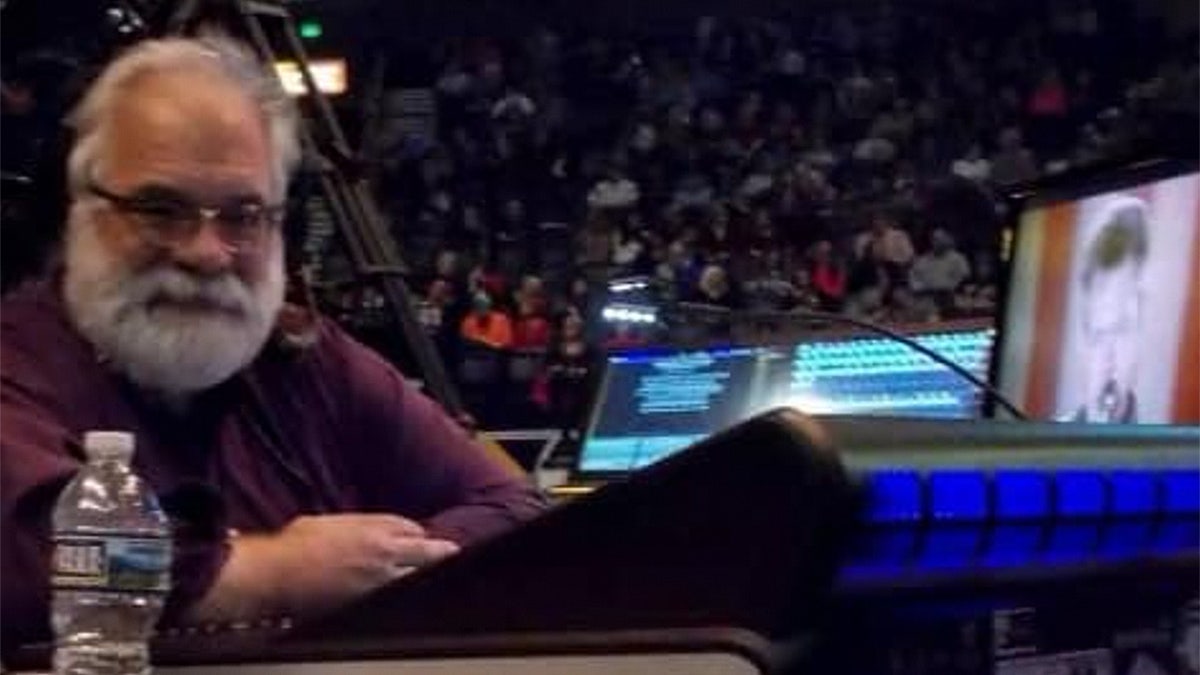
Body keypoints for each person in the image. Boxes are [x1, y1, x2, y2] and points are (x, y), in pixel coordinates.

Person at [0, 36, 546, 654]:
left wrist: (383, 562)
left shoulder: (308, 358)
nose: (206, 253)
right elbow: (39, 565)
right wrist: (271, 574)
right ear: (79, 212)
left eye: (243, 215)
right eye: (159, 208)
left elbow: (514, 509)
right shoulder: (16, 365)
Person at [1069, 197, 1148, 423]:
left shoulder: (1173, 454)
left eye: (1123, 331)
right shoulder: (1040, 448)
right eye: (1098, 336)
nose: (1109, 358)